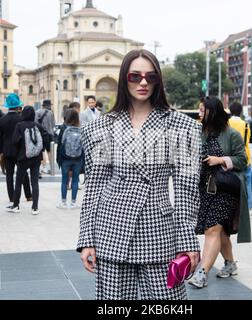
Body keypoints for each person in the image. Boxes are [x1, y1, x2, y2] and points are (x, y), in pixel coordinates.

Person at [78, 49, 201, 300]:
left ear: (158, 81)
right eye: (135, 76)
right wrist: (87, 238)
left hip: (159, 230)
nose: (143, 82)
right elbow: (94, 185)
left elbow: (186, 189)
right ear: (124, 78)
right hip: (111, 229)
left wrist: (187, 243)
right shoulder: (101, 126)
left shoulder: (182, 126)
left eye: (150, 77)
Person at [188, 97, 250, 289]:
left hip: (225, 189)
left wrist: (221, 160)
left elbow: (243, 160)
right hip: (205, 189)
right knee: (220, 232)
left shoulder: (231, 134)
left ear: (212, 112)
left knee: (212, 229)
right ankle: (230, 263)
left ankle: (202, 273)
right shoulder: (199, 133)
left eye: (202, 110)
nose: (199, 113)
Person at [8, 105, 49, 215]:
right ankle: (35, 207)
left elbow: (15, 141)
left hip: (23, 157)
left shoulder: (19, 125)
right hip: (36, 157)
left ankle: (16, 205)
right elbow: (46, 137)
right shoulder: (37, 125)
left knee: (18, 181)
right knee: (34, 182)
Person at [0, 94, 33, 208]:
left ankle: (12, 197)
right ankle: (28, 195)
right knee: (23, 173)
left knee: (9, 175)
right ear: (18, 106)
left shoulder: (1, 120)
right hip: (20, 150)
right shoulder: (21, 119)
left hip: (7, 151)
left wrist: (1, 151)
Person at [228, 102, 252, 219]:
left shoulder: (227, 123)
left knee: (230, 184)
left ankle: (231, 208)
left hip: (230, 157)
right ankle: (249, 209)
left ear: (230, 111)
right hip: (244, 157)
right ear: (240, 112)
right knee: (247, 184)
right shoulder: (245, 124)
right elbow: (247, 141)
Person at [56, 109, 84, 210]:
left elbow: (61, 144)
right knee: (75, 180)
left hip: (66, 158)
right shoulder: (81, 129)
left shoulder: (65, 129)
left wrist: (59, 159)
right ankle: (73, 203)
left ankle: (63, 203)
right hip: (78, 158)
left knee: (64, 180)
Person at [35, 100, 56, 174]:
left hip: (40, 135)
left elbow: (36, 123)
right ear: (49, 105)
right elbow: (53, 124)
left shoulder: (37, 112)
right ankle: (51, 168)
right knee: (49, 152)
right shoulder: (51, 113)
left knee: (41, 152)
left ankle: (42, 168)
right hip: (49, 135)